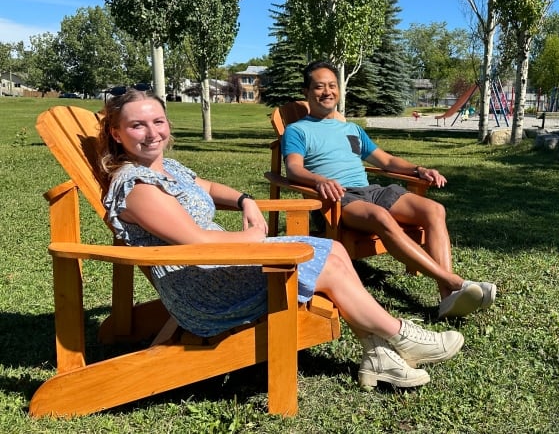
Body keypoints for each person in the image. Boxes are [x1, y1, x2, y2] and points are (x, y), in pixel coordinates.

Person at [97, 88, 466, 390]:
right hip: (208, 286)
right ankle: (401, 335)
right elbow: (196, 241)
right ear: (116, 133)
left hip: (225, 264)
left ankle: (379, 355)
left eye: (158, 121)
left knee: (332, 250)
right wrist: (253, 236)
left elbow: (205, 186)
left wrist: (244, 201)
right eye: (137, 126)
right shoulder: (138, 186)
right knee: (327, 260)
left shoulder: (165, 167)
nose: (152, 133)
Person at [282, 61, 497, 319]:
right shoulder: (298, 130)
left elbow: (385, 161)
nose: (327, 92)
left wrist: (418, 170)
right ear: (306, 92)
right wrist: (319, 181)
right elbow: (293, 169)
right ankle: (454, 281)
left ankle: (447, 296)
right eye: (319, 87)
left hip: (371, 191)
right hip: (338, 198)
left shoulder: (351, 129)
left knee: (434, 210)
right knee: (381, 217)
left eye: (332, 85)